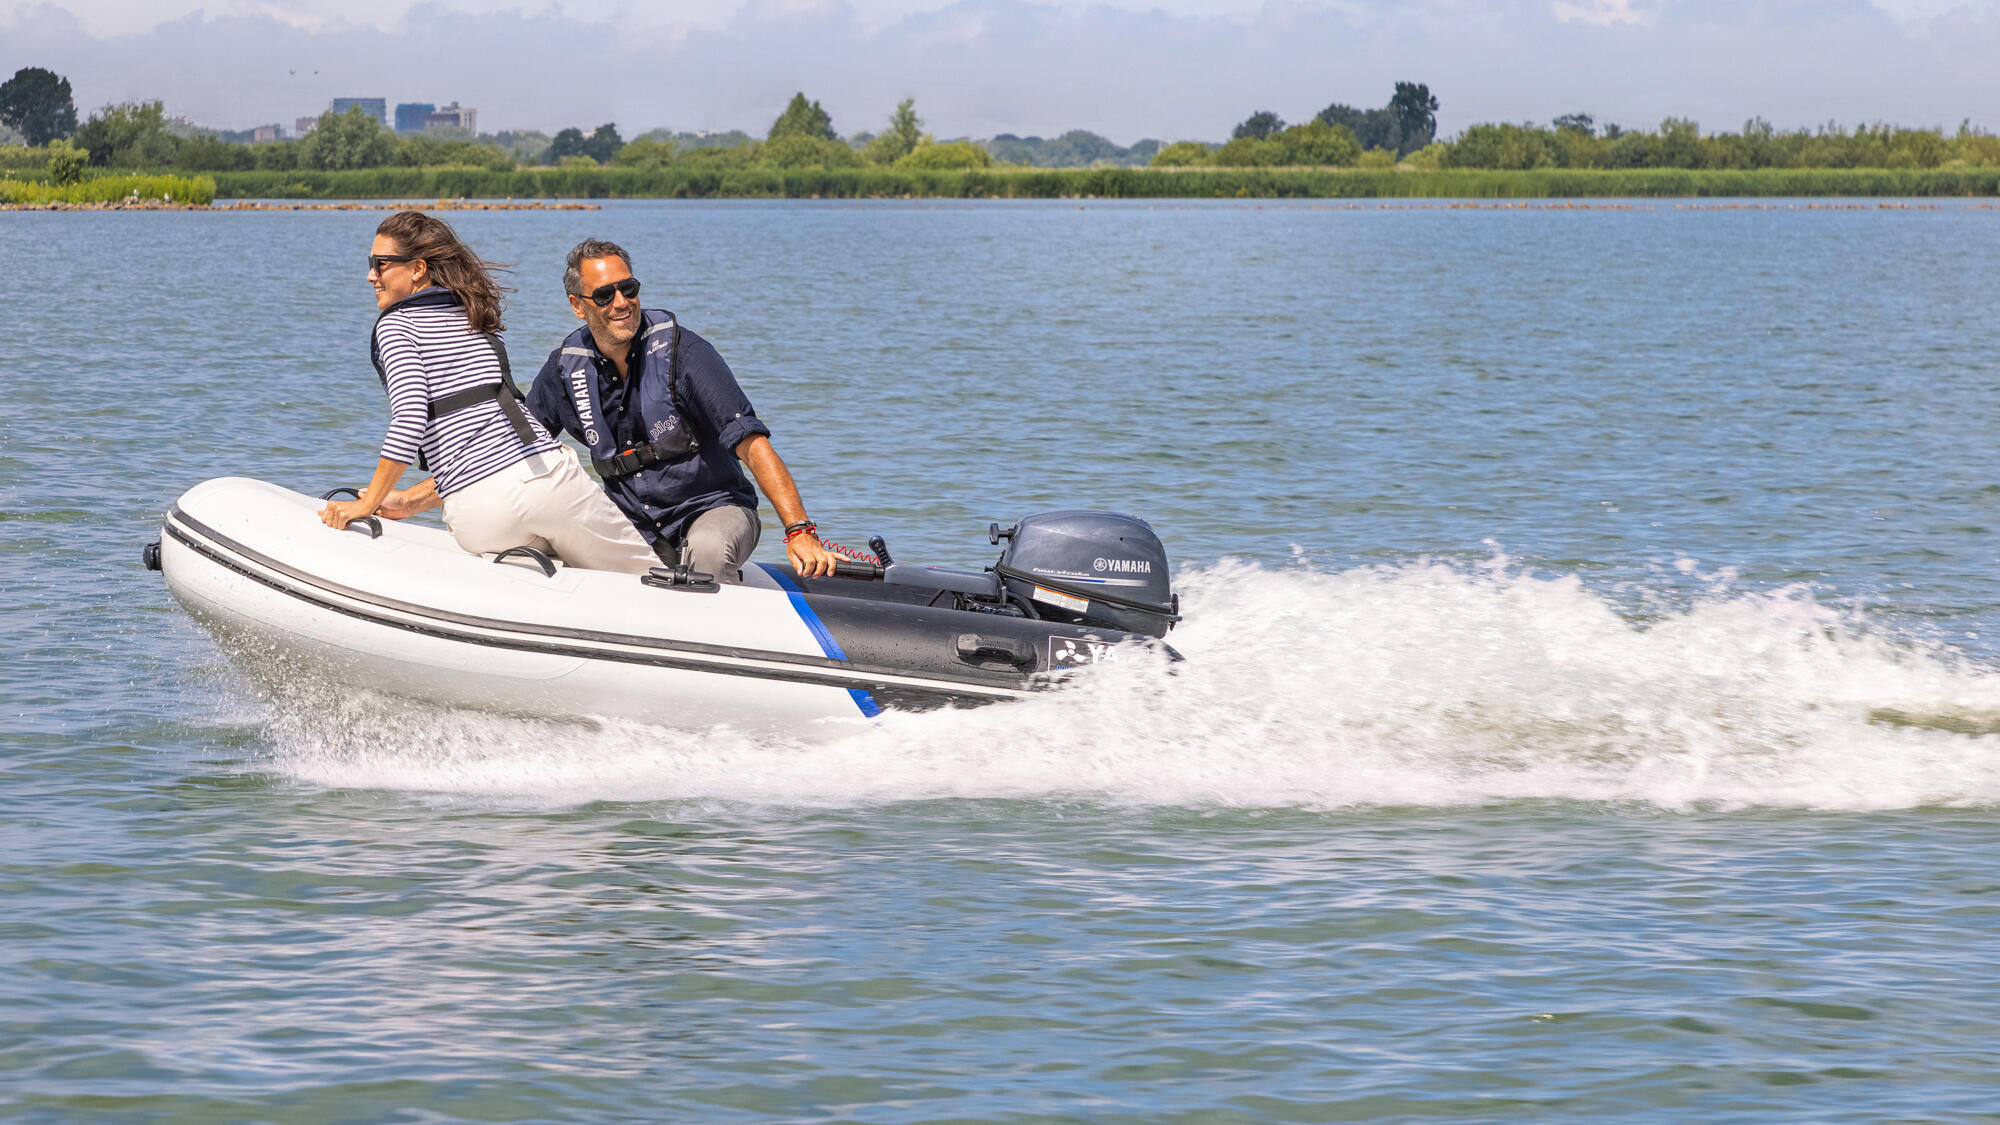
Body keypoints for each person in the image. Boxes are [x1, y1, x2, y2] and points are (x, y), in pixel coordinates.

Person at [319, 212, 659, 575]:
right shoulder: (468, 313)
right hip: (540, 485)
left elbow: (423, 421)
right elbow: (411, 419)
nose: (371, 275)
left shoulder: (397, 326)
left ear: (417, 269)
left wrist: (382, 502)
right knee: (645, 578)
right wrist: (368, 503)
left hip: (472, 516)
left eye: (380, 264)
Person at [524, 238, 840, 583]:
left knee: (706, 551)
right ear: (577, 305)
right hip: (629, 522)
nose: (621, 302)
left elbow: (752, 443)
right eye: (604, 295)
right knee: (541, 535)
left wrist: (799, 531)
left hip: (714, 508)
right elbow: (520, 445)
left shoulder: (685, 354)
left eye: (628, 289)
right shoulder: (565, 369)